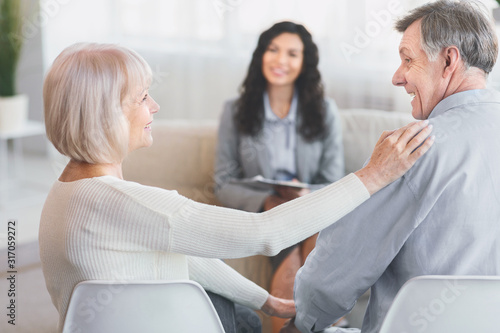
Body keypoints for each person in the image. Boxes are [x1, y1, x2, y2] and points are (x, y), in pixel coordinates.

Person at [38, 42, 432, 333]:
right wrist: (374, 175)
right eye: (142, 97)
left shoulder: (65, 193)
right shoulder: (127, 203)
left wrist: (265, 300)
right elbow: (265, 233)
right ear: (106, 114)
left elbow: (185, 254)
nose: (155, 106)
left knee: (244, 312)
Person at [283, 1, 500, 333]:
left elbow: (337, 269)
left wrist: (303, 321)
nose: (397, 77)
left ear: (448, 60)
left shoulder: (414, 148)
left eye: (408, 60)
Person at [214, 21, 345, 332]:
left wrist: (304, 198)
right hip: (267, 211)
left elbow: (333, 180)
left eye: (292, 53)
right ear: (261, 55)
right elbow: (223, 182)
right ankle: (332, 325)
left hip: (311, 208)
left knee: (312, 231)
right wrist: (268, 201)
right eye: (272, 50)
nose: (280, 60)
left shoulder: (325, 111)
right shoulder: (235, 111)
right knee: (297, 239)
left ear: (305, 63)